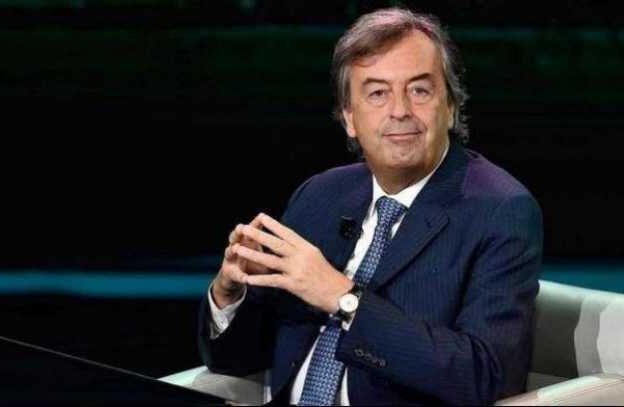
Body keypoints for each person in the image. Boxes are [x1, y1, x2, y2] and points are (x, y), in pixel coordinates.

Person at [198, 7, 542, 406]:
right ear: (349, 118)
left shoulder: (500, 210)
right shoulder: (320, 195)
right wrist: (230, 294)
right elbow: (235, 360)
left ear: (450, 106)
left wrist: (344, 299)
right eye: (378, 93)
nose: (400, 110)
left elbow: (486, 377)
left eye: (419, 90)